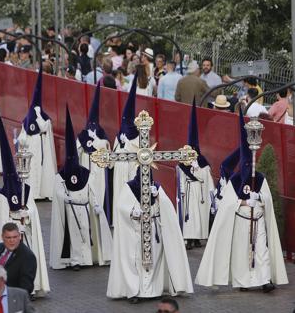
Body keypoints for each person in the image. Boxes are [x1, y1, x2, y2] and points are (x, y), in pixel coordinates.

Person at [196, 110, 288, 293]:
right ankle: (244, 282)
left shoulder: (259, 178)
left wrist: (259, 198)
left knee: (261, 249)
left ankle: (265, 280)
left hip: (258, 219)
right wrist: (244, 203)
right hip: (242, 220)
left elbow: (267, 199)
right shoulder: (236, 180)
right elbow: (227, 204)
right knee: (241, 253)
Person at [106, 168, 193, 302]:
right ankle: (136, 291)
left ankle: (153, 290)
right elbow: (120, 207)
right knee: (137, 260)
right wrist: (133, 212)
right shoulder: (130, 187)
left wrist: (158, 196)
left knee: (155, 260)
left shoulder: (156, 186)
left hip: (154, 230)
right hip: (136, 230)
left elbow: (168, 207)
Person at [50, 106, 113, 271]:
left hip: (85, 208)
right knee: (74, 235)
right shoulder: (61, 176)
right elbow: (57, 191)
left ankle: (87, 259)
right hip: (71, 208)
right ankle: (76, 260)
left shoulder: (85, 173)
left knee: (86, 231)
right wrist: (65, 198)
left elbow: (90, 190)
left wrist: (96, 205)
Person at [0, 118, 49, 296]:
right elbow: (2, 219)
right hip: (14, 234)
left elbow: (32, 209)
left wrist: (28, 213)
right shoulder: (3, 195)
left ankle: (31, 288)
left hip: (27, 234)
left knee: (28, 260)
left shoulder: (27, 189)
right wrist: (15, 219)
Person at [76, 84, 113, 251]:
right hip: (86, 172)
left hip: (98, 174)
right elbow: (75, 153)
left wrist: (94, 142)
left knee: (99, 199)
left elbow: (110, 160)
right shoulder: (82, 138)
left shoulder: (103, 141)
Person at [176, 100, 215, 249]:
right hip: (188, 190)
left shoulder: (202, 161)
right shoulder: (182, 161)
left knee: (199, 214)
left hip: (199, 190)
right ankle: (190, 238)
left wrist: (197, 168)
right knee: (190, 214)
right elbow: (179, 173)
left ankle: (198, 237)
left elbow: (207, 175)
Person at [17, 65, 57, 201]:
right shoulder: (29, 117)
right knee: (33, 168)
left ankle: (42, 192)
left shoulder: (42, 117)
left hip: (40, 144)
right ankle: (33, 193)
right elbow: (23, 134)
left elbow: (45, 127)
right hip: (33, 145)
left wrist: (39, 116)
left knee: (41, 168)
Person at [112, 76, 140, 223]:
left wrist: (127, 144)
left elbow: (140, 154)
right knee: (118, 192)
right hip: (119, 169)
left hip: (130, 169)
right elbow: (113, 155)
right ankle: (118, 219)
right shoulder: (119, 135)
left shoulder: (137, 136)